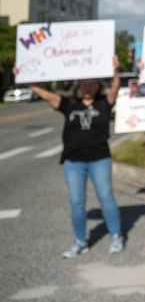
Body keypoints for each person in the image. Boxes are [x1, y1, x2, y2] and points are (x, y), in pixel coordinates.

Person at [26, 56, 126, 257]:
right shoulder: (70, 104)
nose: (88, 88)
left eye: (92, 84)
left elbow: (115, 88)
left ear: (98, 86)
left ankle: (116, 236)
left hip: (99, 159)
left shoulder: (104, 103)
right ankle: (80, 241)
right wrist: (28, 79)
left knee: (106, 197)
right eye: (85, 84)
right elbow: (46, 95)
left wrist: (115, 70)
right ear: (79, 87)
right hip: (73, 162)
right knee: (77, 202)